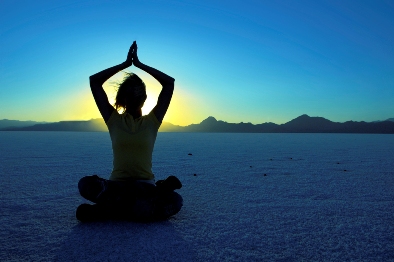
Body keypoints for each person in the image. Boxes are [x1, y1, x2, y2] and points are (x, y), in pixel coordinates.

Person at [76, 41, 183, 222]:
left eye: (137, 94)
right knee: (85, 184)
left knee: (176, 201)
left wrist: (140, 65)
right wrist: (125, 64)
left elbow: (169, 84)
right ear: (123, 98)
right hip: (117, 187)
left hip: (144, 187)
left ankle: (109, 210)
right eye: (130, 94)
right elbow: (94, 82)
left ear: (144, 98)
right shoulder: (114, 120)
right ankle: (135, 208)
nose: (134, 99)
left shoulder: (152, 121)